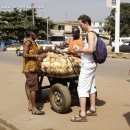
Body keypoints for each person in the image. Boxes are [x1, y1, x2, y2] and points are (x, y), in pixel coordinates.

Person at [71, 14, 97, 122]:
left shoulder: (90, 34)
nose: (80, 26)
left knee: (81, 89)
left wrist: (79, 50)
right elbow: (89, 49)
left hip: (87, 65)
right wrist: (81, 49)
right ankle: (92, 109)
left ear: (86, 23)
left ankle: (82, 115)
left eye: (81, 24)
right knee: (91, 87)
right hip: (91, 63)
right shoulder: (93, 33)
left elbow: (91, 50)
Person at [23, 26, 46, 115]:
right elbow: (25, 54)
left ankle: (30, 105)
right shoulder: (28, 42)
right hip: (29, 69)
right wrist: (37, 56)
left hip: (33, 67)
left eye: (37, 33)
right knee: (34, 89)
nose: (36, 35)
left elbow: (35, 53)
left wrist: (41, 52)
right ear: (31, 33)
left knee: (32, 87)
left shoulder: (34, 42)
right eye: (35, 33)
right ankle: (34, 109)